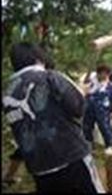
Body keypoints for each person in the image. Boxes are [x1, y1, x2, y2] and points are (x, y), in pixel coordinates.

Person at [2, 42, 105, 193]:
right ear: (38, 57)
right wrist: (81, 91)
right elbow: (77, 109)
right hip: (71, 157)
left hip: (39, 167)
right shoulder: (50, 76)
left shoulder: (7, 93)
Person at [2, 49, 56, 188]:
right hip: (33, 127)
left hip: (32, 127)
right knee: (24, 149)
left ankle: (9, 176)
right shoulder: (39, 80)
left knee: (24, 149)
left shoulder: (35, 81)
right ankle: (9, 176)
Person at [82, 64, 112, 148]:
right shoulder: (91, 83)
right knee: (87, 129)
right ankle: (89, 147)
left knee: (106, 129)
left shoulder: (110, 86)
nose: (103, 75)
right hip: (89, 110)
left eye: (106, 73)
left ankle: (110, 148)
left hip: (103, 111)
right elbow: (84, 89)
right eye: (102, 73)